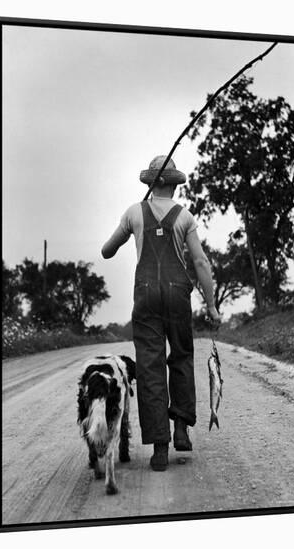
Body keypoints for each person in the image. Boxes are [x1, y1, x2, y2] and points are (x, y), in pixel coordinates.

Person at [101, 155, 220, 471]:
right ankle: (181, 426)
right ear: (174, 184)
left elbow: (106, 251)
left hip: (146, 297)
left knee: (151, 366)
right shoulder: (185, 216)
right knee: (180, 357)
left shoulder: (133, 212)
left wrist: (132, 224)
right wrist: (210, 305)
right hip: (177, 295)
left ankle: (159, 447)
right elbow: (201, 263)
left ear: (150, 183)